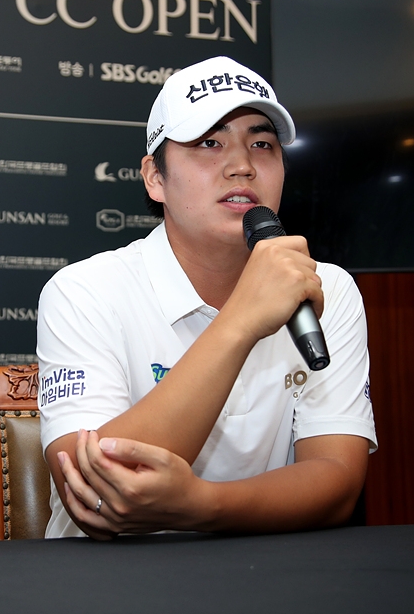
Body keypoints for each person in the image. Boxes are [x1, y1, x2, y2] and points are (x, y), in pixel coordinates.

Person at [36, 56, 376, 539]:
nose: (241, 166)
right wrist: (241, 320)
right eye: (209, 143)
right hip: (111, 585)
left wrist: (202, 506)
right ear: (155, 177)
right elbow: (96, 493)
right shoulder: (85, 291)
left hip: (270, 576)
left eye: (262, 144)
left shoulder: (327, 288)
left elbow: (338, 482)